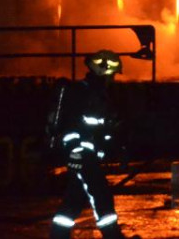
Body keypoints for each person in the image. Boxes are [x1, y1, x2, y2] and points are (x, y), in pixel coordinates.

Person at [48, 50, 136, 239]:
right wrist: (76, 152)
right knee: (101, 195)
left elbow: (99, 128)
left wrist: (115, 145)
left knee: (75, 199)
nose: (113, 78)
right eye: (111, 74)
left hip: (86, 154)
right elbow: (72, 126)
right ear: (103, 71)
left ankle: (58, 235)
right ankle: (112, 236)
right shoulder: (82, 93)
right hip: (81, 154)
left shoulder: (96, 94)